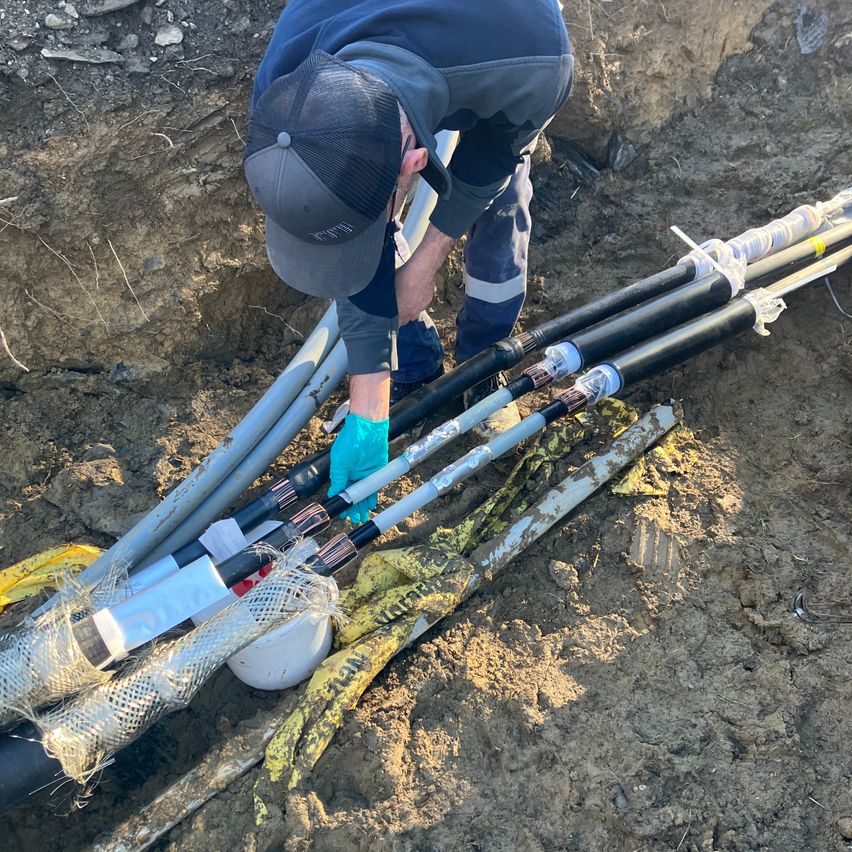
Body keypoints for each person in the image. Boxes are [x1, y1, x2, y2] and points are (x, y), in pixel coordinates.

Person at [244, 0, 573, 523]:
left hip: (497, 50)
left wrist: (426, 261)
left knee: (503, 198)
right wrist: (370, 408)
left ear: (418, 160)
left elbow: (489, 159)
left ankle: (482, 365)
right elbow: (353, 228)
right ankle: (414, 367)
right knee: (365, 213)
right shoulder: (287, 82)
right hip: (411, 68)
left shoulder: (532, 59)